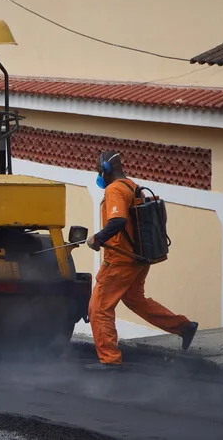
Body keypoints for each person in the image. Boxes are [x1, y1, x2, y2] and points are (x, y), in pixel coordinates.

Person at [85, 150, 198, 371]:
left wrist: (97, 238)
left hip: (121, 260)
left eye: (98, 170)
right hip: (138, 258)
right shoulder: (131, 185)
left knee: (98, 307)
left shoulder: (115, 189)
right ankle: (184, 327)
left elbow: (117, 220)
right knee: (136, 300)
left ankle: (110, 359)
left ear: (105, 170)